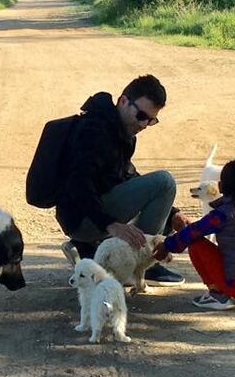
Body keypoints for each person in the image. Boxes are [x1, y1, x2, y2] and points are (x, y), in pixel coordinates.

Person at [55, 74, 187, 286]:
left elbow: (126, 176)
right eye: (142, 115)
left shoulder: (120, 132)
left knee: (161, 190)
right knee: (164, 182)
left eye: (151, 120)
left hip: (90, 215)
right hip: (82, 218)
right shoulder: (94, 130)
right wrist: (109, 225)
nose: (144, 124)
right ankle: (142, 263)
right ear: (123, 101)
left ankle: (96, 249)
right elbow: (78, 184)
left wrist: (173, 214)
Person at [153, 159, 235, 310]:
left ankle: (218, 294)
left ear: (220, 187)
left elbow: (192, 232)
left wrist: (167, 245)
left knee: (195, 242)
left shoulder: (221, 215)